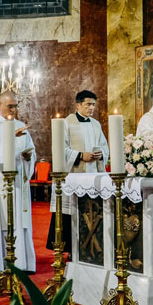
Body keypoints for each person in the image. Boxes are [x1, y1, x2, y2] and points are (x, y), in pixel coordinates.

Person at [0, 91, 37, 276]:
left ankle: (22, 262)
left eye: (15, 106)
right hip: (0, 181)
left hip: (19, 180)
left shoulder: (20, 126)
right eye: (9, 106)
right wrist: (11, 137)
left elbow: (31, 150)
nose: (13, 110)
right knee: (0, 220)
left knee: (20, 219)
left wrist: (28, 157)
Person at [48, 90, 110, 254]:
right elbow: (60, 149)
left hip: (93, 176)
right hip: (74, 176)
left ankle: (91, 249)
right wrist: (81, 155)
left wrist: (101, 154)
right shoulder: (67, 123)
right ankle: (71, 249)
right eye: (88, 104)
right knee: (72, 213)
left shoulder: (96, 124)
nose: (91, 108)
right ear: (78, 105)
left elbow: (104, 146)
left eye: (93, 105)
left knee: (92, 213)